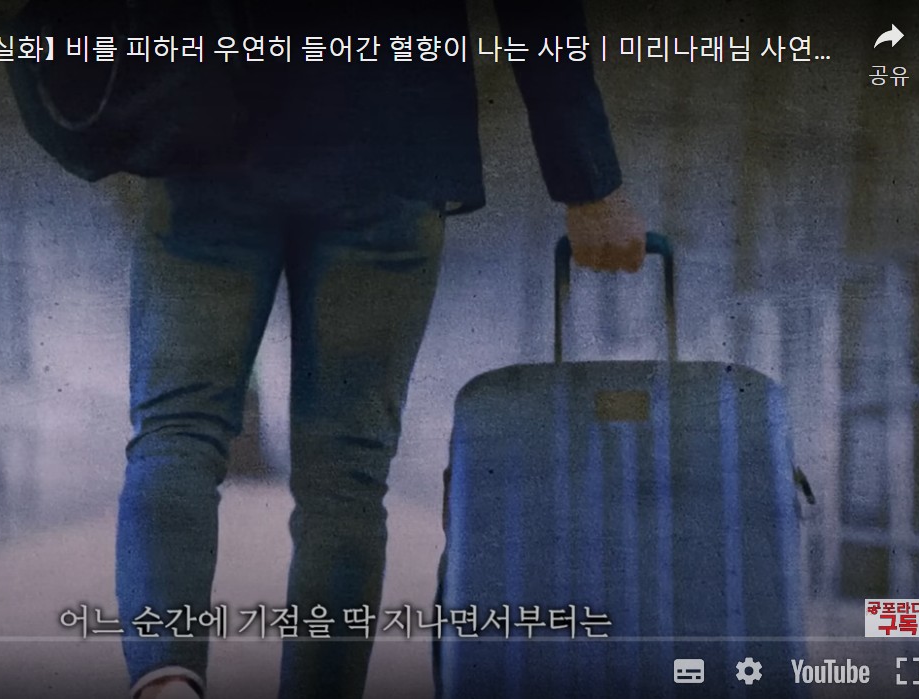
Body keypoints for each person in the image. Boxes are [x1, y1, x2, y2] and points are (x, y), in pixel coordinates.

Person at [115, 1, 646, 698]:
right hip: (393, 136)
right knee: (346, 473)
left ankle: (166, 681)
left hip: (207, 126)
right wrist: (588, 182)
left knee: (177, 432)